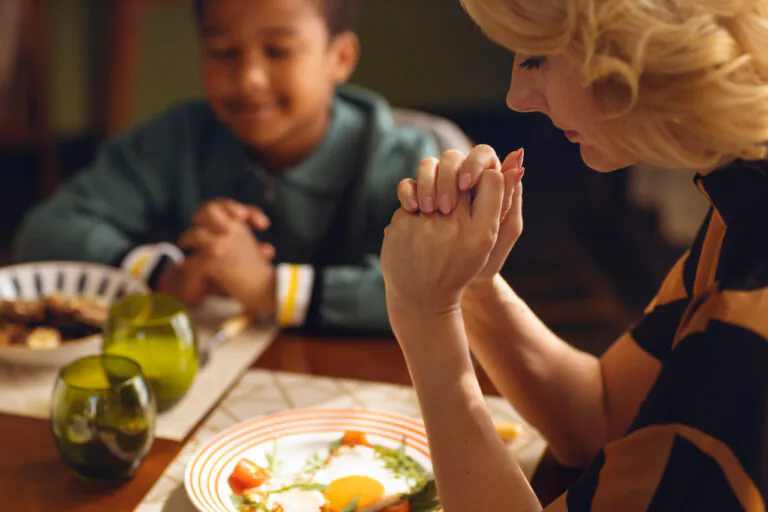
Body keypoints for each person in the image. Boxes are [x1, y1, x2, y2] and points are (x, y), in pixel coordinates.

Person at [381, 0, 768, 510]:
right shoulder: (742, 195)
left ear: (642, 46)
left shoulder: (753, 305)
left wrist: (424, 317)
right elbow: (602, 415)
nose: (517, 97)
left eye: (537, 58)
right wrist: (472, 281)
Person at [14, 0, 439, 333]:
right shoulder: (173, 139)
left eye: (277, 50)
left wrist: (271, 291)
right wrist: (165, 275)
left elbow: (443, 283)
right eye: (223, 51)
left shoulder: (404, 161)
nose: (249, 77)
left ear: (340, 58)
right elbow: (44, 232)